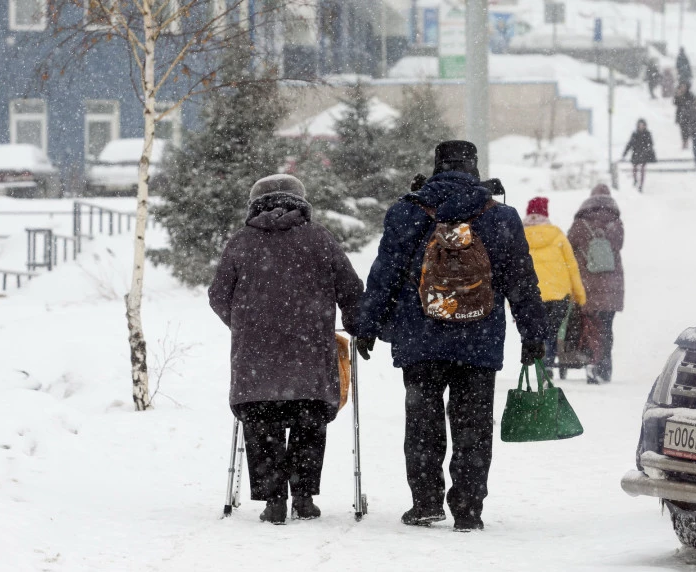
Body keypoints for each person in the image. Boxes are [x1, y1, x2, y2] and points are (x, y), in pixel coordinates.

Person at [356, 140, 547, 532]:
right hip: (478, 340)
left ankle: (426, 503)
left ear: (437, 167)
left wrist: (368, 326)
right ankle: (468, 508)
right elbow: (521, 282)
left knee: (423, 422)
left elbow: (385, 275)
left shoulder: (407, 212)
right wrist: (533, 333)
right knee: (474, 426)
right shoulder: (501, 217)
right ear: (474, 169)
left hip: (421, 337)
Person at [209, 174, 364, 525]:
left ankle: (274, 500)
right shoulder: (320, 238)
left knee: (261, 422)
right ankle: (304, 498)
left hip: (256, 362)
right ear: (301, 201)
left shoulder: (242, 241)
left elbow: (218, 295)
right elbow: (351, 288)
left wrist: (245, 327)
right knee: (309, 420)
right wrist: (356, 324)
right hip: (309, 356)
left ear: (254, 203)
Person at [523, 196, 587, 378]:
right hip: (559, 293)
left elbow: (514, 269)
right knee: (551, 331)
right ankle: (548, 362)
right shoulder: (557, 235)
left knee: (536, 331)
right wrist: (579, 295)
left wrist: (514, 301)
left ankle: (540, 363)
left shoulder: (519, 235)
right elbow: (572, 266)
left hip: (531, 294)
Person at [568, 184, 624, 385]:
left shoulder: (580, 224)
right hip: (611, 286)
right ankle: (605, 368)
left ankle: (592, 362)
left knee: (591, 326)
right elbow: (618, 245)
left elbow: (569, 246)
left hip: (587, 285)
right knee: (607, 327)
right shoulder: (616, 223)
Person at [621, 119, 656, 193]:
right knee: (634, 168)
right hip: (636, 153)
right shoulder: (635, 134)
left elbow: (650, 144)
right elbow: (630, 144)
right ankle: (635, 180)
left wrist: (647, 151)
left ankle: (641, 185)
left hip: (644, 154)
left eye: (642, 125)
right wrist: (625, 153)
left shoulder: (647, 134)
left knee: (642, 169)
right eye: (640, 125)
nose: (641, 126)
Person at [673, 82, 694, 150]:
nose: (683, 88)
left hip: (689, 114)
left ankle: (686, 141)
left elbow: (692, 102)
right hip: (680, 114)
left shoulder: (690, 94)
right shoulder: (678, 94)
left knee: (688, 129)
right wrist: (678, 96)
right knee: (682, 129)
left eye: (684, 86)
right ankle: (684, 142)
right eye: (682, 86)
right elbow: (675, 103)